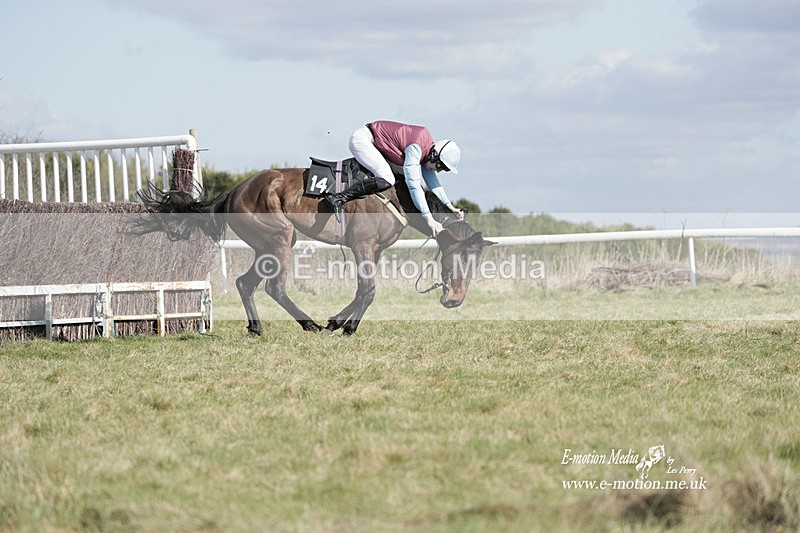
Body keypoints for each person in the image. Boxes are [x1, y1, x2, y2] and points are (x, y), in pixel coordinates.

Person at [324, 120, 464, 235]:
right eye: (440, 166)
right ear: (434, 155)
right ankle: (338, 198)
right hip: (363, 140)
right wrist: (429, 218)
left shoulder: (427, 150)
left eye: (443, 169)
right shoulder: (416, 148)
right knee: (388, 179)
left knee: (394, 176)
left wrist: (450, 207)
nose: (439, 171)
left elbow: (434, 184)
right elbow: (414, 185)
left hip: (375, 143)